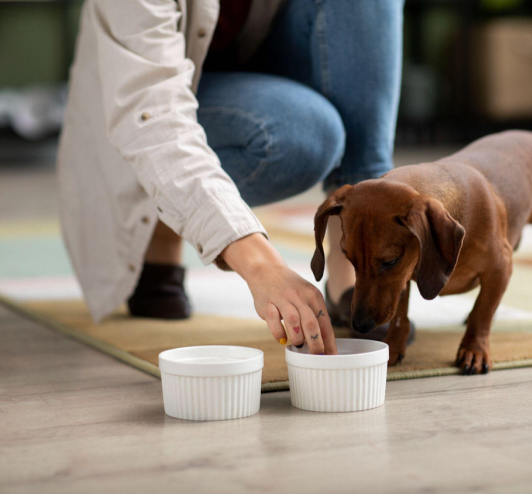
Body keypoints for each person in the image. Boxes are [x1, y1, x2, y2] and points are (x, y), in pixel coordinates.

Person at [56, 0, 403, 356]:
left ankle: (351, 269)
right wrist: (261, 265)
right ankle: (158, 228)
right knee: (305, 135)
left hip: (259, 65)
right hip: (150, 105)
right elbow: (152, 115)